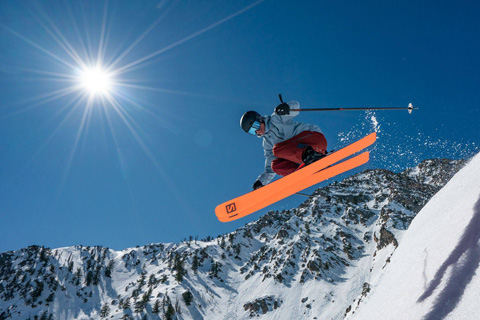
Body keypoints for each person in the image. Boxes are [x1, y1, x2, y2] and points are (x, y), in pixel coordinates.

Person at [240, 100, 327, 190]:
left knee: (277, 149)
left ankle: (311, 156)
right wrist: (261, 181)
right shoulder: (267, 144)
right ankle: (303, 171)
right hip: (305, 156)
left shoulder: (276, 119)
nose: (257, 131)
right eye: (252, 131)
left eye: (255, 126)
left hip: (314, 139)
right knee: (275, 165)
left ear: (260, 119)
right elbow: (270, 168)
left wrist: (286, 108)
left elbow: (296, 107)